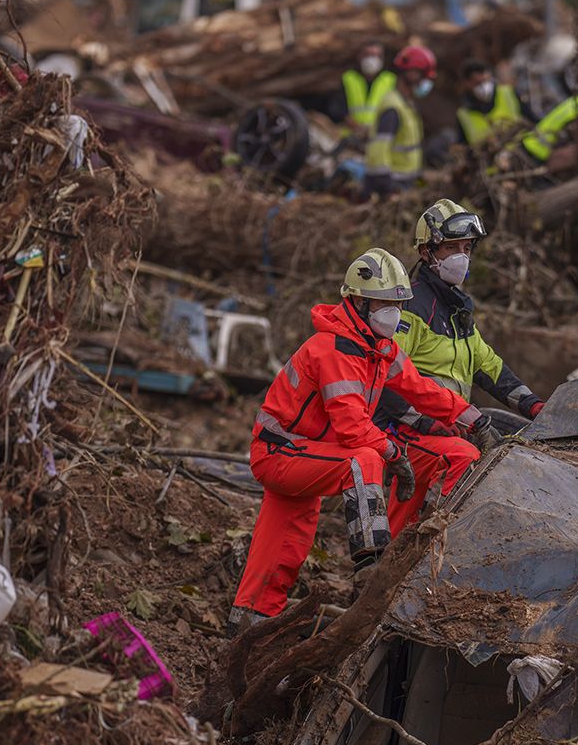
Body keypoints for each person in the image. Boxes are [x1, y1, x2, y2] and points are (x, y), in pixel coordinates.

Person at [229, 248, 492, 634]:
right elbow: (352, 427)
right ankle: (371, 566)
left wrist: (474, 419)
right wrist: (395, 455)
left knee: (282, 552)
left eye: (397, 304)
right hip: (281, 453)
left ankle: (246, 633)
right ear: (358, 302)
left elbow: (422, 390)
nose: (394, 313)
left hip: (304, 453)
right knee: (363, 460)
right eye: (385, 304)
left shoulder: (378, 349)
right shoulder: (334, 350)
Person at [376, 200, 543, 445]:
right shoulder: (411, 308)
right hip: (411, 428)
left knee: (530, 438)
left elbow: (487, 366)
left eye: (466, 248)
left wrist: (534, 405)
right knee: (474, 458)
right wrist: (426, 422)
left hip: (456, 420)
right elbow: (385, 376)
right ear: (426, 252)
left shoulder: (457, 308)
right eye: (451, 247)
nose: (461, 256)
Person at [362, 45, 434, 198]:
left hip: (405, 184)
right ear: (412, 73)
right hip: (393, 188)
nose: (425, 81)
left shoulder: (407, 105)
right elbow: (378, 152)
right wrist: (387, 188)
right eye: (424, 75)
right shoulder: (393, 107)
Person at [454, 60, 526, 149]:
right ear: (467, 84)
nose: (484, 86)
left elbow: (532, 120)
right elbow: (465, 146)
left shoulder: (509, 93)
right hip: (492, 160)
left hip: (522, 152)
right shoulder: (463, 115)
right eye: (478, 83)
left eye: (486, 81)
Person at [341, 43, 395, 133]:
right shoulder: (348, 78)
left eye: (377, 55)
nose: (372, 59)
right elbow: (339, 109)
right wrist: (358, 128)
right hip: (352, 137)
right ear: (360, 56)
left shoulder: (390, 80)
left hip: (380, 136)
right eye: (368, 55)